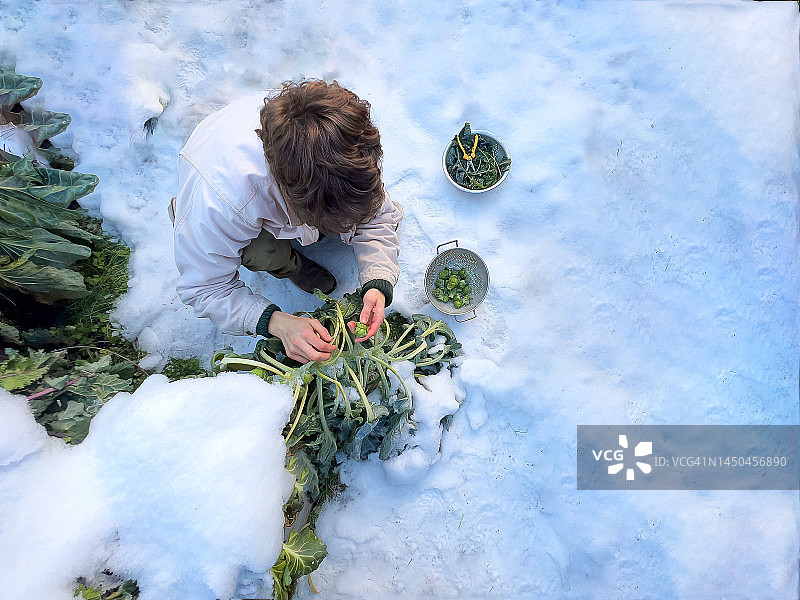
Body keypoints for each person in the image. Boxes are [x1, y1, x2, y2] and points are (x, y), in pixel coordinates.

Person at [172, 80, 403, 364]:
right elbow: (205, 289)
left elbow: (378, 213)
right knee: (263, 251)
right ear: (293, 201)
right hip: (224, 202)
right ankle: (288, 263)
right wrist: (277, 323)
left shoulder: (337, 137)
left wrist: (377, 281)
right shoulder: (221, 205)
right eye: (332, 220)